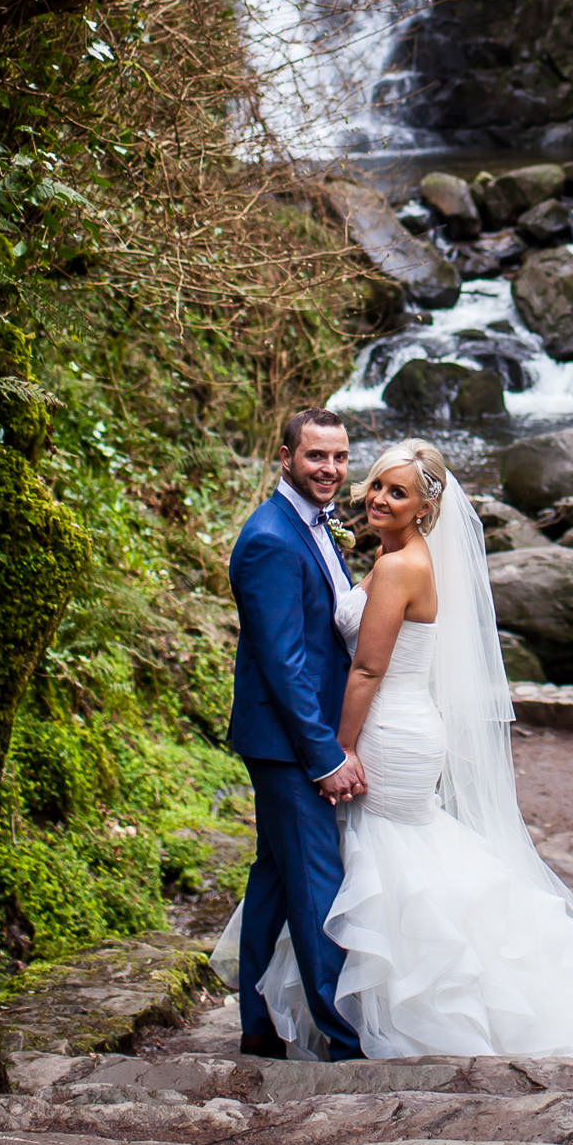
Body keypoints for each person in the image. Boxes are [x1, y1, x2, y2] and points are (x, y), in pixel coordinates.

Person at [245, 437, 573, 1062]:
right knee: (379, 861)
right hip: (395, 723)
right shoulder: (398, 556)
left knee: (391, 864)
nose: (377, 497)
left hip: (387, 731)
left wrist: (338, 752)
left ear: (425, 508)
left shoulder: (401, 566)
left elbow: (367, 672)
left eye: (397, 492)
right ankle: (358, 1013)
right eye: (376, 485)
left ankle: (409, 1014)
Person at [221, 406, 367, 1061]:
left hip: (287, 740)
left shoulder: (309, 526)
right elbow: (284, 664)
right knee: (317, 886)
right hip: (288, 746)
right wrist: (324, 755)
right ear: (285, 457)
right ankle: (343, 1044)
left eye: (339, 457)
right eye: (316, 457)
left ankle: (258, 1026)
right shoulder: (271, 540)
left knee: (276, 879)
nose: (330, 469)